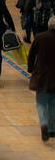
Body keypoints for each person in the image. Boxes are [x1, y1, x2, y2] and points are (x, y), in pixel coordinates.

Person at [28, 14, 55, 142]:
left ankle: (44, 123)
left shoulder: (40, 37)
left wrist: (30, 68)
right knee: (54, 104)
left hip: (42, 76)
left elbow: (32, 54)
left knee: (41, 103)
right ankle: (52, 129)